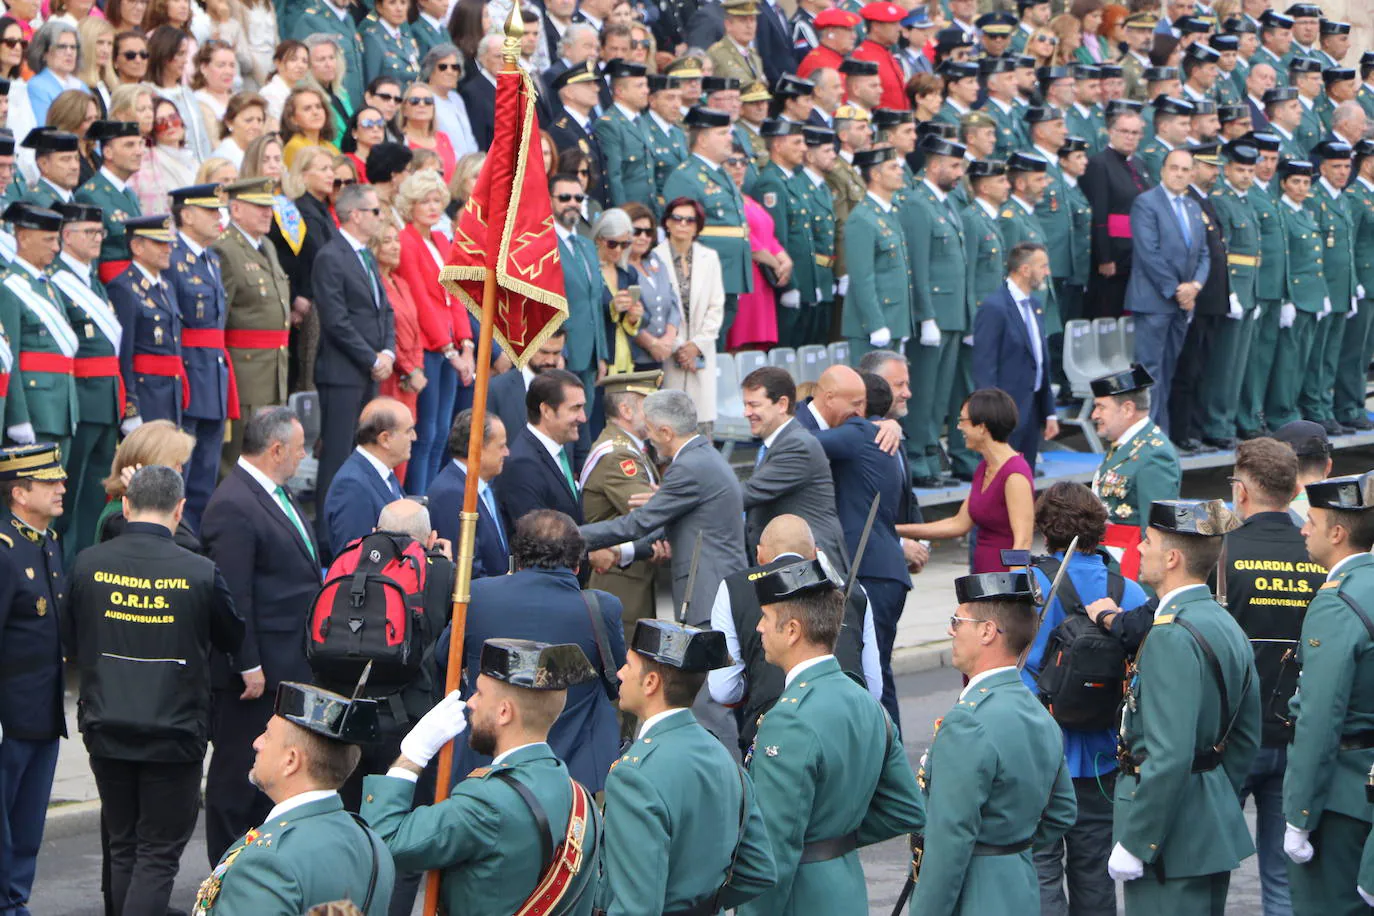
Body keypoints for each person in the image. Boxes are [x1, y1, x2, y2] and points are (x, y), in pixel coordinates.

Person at [64, 465, 243, 916]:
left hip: (106, 723)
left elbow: (70, 638)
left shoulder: (88, 563)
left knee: (124, 846)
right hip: (175, 729)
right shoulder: (200, 572)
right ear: (180, 510)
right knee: (158, 854)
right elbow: (232, 635)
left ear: (125, 505)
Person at [738, 557, 924, 916]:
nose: (759, 627)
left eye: (765, 617)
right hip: (847, 890)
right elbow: (906, 809)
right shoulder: (866, 702)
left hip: (800, 898)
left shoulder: (788, 719)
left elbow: (775, 851)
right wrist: (838, 838)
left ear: (791, 630)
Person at [361, 638, 601, 916]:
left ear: (504, 712)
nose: (470, 702)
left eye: (479, 693)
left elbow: (384, 842)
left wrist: (412, 755)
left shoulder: (488, 801)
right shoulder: (582, 800)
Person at [1109, 499, 1260, 914]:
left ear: (1172, 558)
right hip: (1203, 823)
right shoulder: (1221, 620)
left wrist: (1139, 843)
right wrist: (1211, 796)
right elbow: (1246, 736)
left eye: (1149, 541)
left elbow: (1169, 755)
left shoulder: (1172, 635)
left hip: (1168, 844)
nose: (1139, 548)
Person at [913, 570, 1078, 916]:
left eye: (958, 621)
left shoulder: (968, 721)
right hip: (1019, 886)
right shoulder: (1038, 713)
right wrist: (1010, 846)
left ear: (987, 632)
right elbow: (1061, 812)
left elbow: (949, 841)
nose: (950, 630)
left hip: (975, 895)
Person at [200, 406, 322, 865]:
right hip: (251, 677)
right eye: (297, 448)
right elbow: (233, 594)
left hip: (283, 666)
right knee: (236, 782)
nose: (302, 456)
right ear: (275, 450)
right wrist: (246, 661)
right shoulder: (235, 503)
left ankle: (256, 875)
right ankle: (224, 884)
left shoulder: (272, 493)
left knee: (266, 783)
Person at [1021, 483, 1148, 916]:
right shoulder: (1130, 591)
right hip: (1104, 757)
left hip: (1041, 751)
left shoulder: (1029, 585)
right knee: (1095, 874)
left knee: (1040, 867)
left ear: (1046, 528)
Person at [599, 619, 777, 914]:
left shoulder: (634, 775)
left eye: (628, 666)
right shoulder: (725, 759)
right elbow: (758, 870)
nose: (619, 673)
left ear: (651, 682)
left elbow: (635, 908)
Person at [1214, 437, 1322, 916]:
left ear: (1241, 492)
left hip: (1234, 734)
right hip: (1296, 733)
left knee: (1210, 870)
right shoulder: (1318, 554)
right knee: (1282, 882)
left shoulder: (1222, 553)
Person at [200, 680, 396, 914]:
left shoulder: (266, 861)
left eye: (268, 735)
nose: (257, 742)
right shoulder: (373, 843)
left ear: (290, 761)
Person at [1283, 472, 1374, 916]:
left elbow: (1319, 717)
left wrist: (1299, 815)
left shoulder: (1337, 601)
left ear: (1337, 533)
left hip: (1340, 797)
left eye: (1311, 521)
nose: (1302, 529)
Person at [0, 444, 68, 916]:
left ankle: (14, 899)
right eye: (50, 483)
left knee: (27, 824)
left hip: (42, 712)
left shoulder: (48, 540)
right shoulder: (4, 552)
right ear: (20, 493)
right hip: (9, 715)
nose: (62, 487)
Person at [312, 182, 394, 521]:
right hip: (342, 373)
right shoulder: (331, 256)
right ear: (355, 215)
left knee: (364, 453)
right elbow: (336, 320)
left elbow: (384, 309)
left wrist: (388, 351)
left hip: (368, 371)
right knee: (337, 456)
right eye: (375, 211)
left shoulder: (364, 257)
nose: (381, 218)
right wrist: (372, 357)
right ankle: (328, 533)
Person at [394, 169, 472, 494]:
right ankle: (418, 497)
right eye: (424, 200)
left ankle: (436, 495)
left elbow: (457, 295)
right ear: (410, 205)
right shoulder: (406, 241)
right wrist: (449, 350)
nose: (432, 206)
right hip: (428, 347)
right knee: (426, 432)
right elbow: (421, 300)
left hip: (450, 346)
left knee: (443, 431)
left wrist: (466, 345)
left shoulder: (442, 240)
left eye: (437, 199)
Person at [48, 200, 119, 559]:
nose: (97, 239)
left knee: (94, 496)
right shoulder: (56, 280)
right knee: (68, 498)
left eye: (100, 232)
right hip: (81, 398)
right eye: (89, 232)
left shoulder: (93, 280)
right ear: (66, 235)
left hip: (106, 399)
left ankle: (83, 564)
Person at [899, 388, 1035, 574]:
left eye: (963, 421)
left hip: (1002, 584)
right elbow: (958, 524)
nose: (958, 427)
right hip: (981, 578)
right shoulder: (983, 468)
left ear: (982, 427)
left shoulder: (1015, 474)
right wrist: (896, 530)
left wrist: (1014, 588)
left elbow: (1023, 541)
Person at [211, 176, 292, 475]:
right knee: (237, 457)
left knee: (268, 452)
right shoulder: (226, 250)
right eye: (258, 206)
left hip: (273, 369)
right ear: (235, 209)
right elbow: (220, 317)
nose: (267, 213)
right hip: (244, 372)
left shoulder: (266, 246)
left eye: (268, 207)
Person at [1126, 147, 1209, 436]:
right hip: (1154, 301)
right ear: (1163, 170)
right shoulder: (1146, 203)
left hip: (1182, 304)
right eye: (1174, 168)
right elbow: (1149, 252)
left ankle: (1160, 434)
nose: (1180, 174)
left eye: (1186, 170)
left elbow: (1204, 254)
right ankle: (1145, 436)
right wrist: (1176, 290)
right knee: (1149, 373)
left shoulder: (1193, 207)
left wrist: (1195, 286)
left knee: (1169, 370)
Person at [579, 370, 664, 648]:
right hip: (619, 584)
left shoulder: (631, 448)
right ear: (626, 410)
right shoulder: (619, 455)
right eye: (649, 405)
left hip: (631, 579)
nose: (657, 413)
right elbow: (652, 517)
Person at [164, 183, 230, 533]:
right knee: (185, 468)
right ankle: (181, 538)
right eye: (210, 211)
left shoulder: (211, 260)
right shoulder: (172, 259)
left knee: (206, 471)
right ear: (186, 215)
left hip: (213, 372)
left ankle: (197, 537)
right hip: (189, 373)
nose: (219, 218)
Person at [739, 365, 847, 572]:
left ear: (781, 404)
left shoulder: (797, 445)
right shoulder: (777, 443)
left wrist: (700, 494)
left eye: (754, 405)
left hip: (811, 566)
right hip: (794, 565)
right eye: (745, 405)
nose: (746, 413)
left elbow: (751, 492)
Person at [661, 107, 750, 347]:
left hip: (728, 269)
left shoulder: (721, 173)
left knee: (718, 338)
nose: (730, 138)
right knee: (704, 339)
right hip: (703, 272)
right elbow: (680, 230)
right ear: (702, 139)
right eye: (722, 133)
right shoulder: (686, 176)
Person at [972, 241, 1059, 470]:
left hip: (1031, 411)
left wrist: (1049, 411)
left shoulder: (1035, 306)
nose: (1047, 272)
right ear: (1025, 270)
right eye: (1043, 266)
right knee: (1001, 479)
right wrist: (992, 416)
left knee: (1024, 477)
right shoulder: (994, 307)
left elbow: (1041, 362)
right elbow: (984, 366)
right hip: (1005, 415)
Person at [0, 202, 78, 455]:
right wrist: (18, 417)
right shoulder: (9, 287)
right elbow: (9, 357)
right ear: (23, 238)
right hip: (35, 410)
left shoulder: (48, 286)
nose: (56, 248)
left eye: (56, 239)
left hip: (61, 407)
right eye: (48, 240)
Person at [1089, 364, 1181, 547]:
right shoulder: (1126, 443)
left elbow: (1156, 532)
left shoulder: (1155, 455)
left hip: (1128, 566)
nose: (1094, 415)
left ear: (1128, 409)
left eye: (1101, 407)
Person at [656, 196, 725, 436]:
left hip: (701, 353)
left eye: (690, 220)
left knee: (701, 424)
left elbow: (716, 307)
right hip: (668, 351)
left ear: (697, 225)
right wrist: (679, 347)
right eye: (677, 218)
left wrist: (696, 345)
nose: (683, 224)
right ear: (667, 223)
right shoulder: (654, 258)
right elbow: (656, 310)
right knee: (669, 423)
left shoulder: (710, 258)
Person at [321, 397, 415, 560]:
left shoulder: (383, 474)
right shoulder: (352, 486)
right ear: (385, 439)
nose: (414, 437)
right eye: (408, 431)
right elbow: (355, 561)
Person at [497, 368, 589, 528]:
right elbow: (538, 537)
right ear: (546, 410)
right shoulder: (523, 464)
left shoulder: (560, 449)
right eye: (575, 408)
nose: (583, 417)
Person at [427, 408, 510, 580]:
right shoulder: (450, 495)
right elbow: (467, 570)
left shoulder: (481, 486)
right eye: (501, 446)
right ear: (477, 448)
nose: (506, 453)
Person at [1082, 107, 1148, 319]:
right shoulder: (1099, 163)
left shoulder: (1138, 164)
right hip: (1114, 255)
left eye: (1135, 133)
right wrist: (1105, 257)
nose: (1130, 137)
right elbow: (1099, 213)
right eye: (1124, 131)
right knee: (1108, 312)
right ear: (1110, 132)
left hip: (1136, 252)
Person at [484, 326, 567, 441]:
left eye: (556, 353)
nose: (550, 361)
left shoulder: (570, 389)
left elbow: (581, 449)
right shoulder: (496, 390)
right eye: (544, 352)